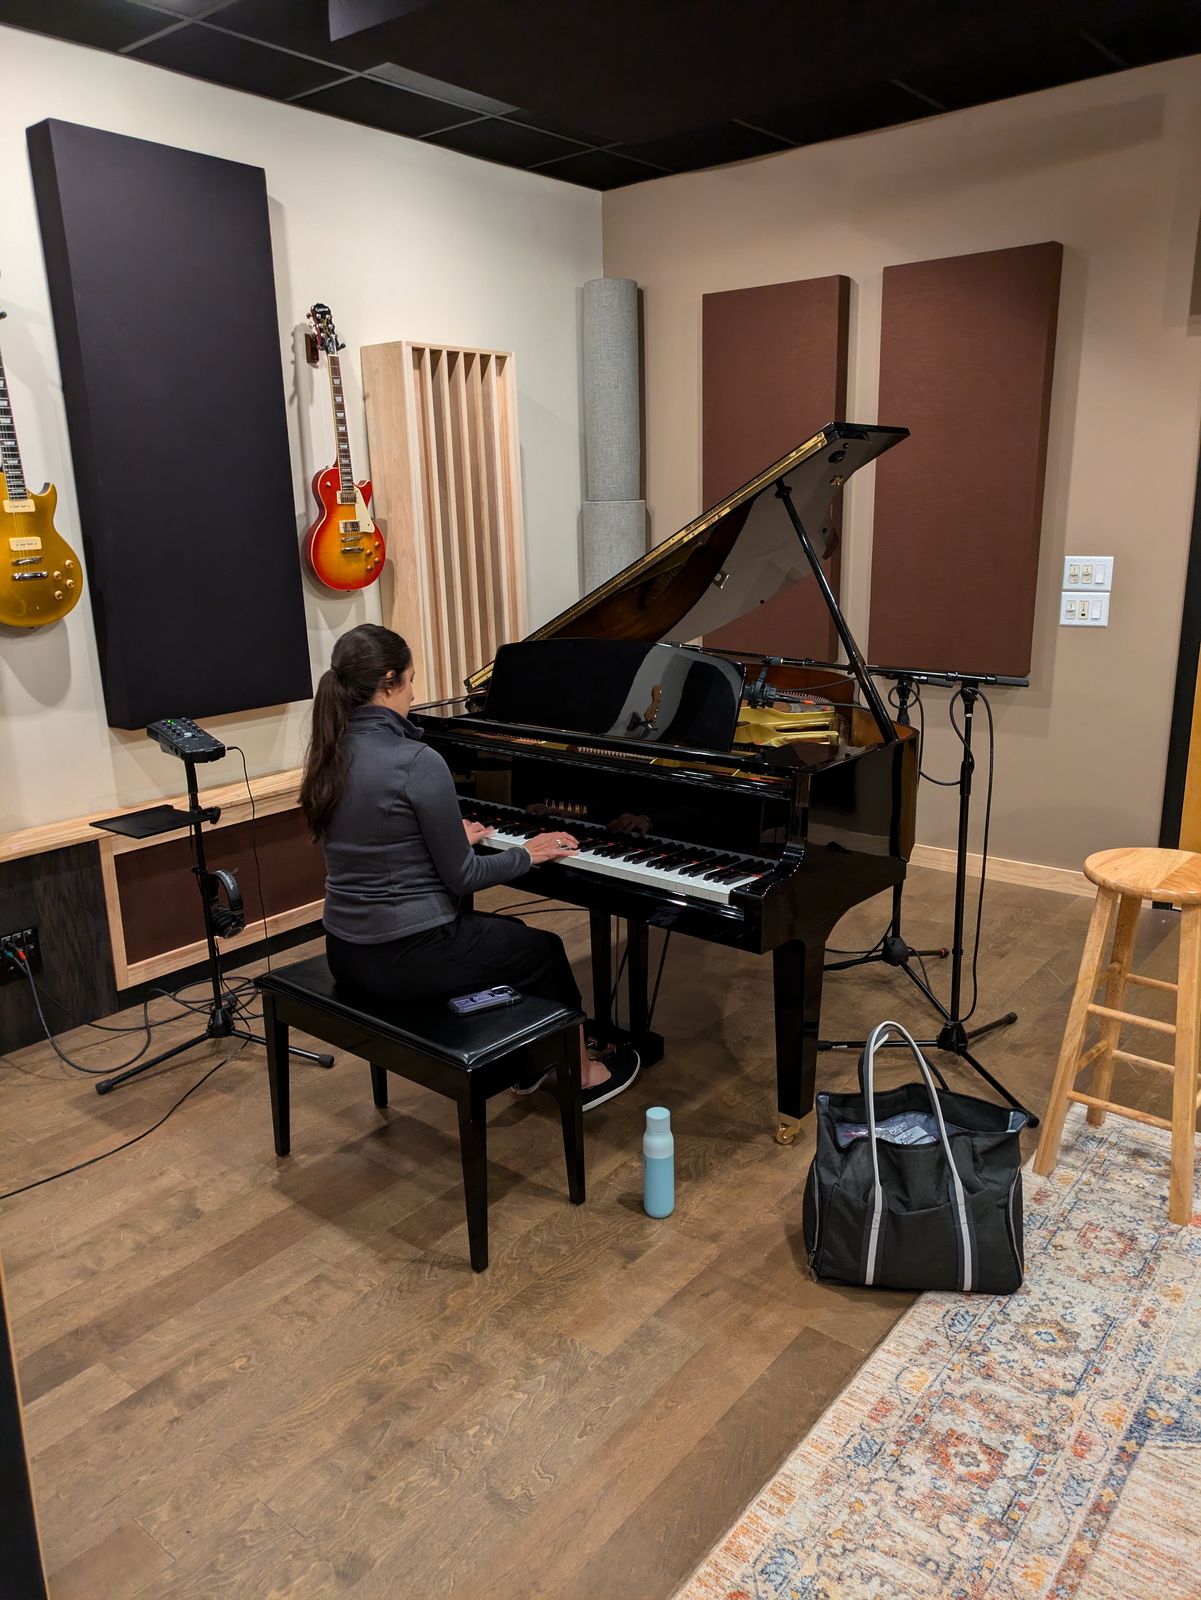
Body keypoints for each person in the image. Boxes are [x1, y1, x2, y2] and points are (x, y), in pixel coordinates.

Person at [299, 623, 640, 1110]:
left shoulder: (329, 752)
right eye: (411, 681)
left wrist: (448, 837)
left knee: (511, 936)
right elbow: (465, 876)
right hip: (406, 957)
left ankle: (528, 1060)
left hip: (347, 952)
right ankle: (581, 1076)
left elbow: (375, 841)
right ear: (389, 681)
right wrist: (529, 852)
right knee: (543, 950)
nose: (413, 693)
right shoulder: (415, 760)